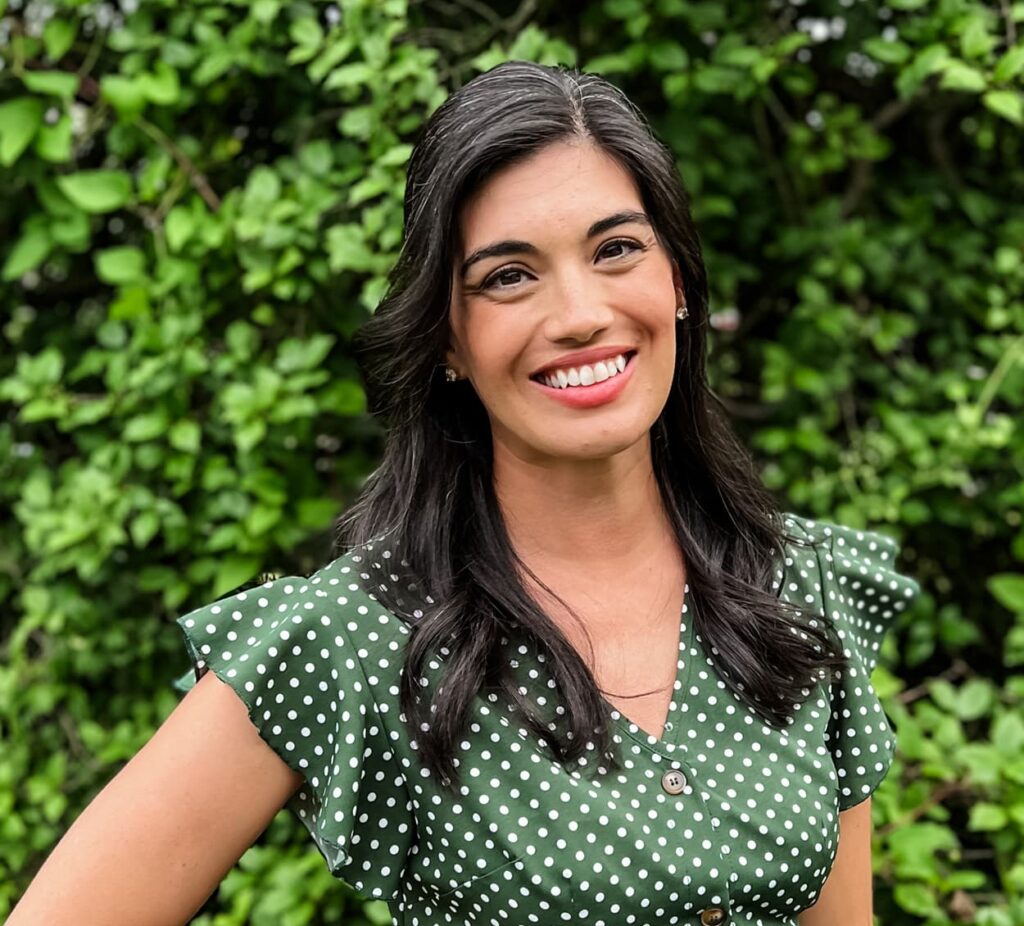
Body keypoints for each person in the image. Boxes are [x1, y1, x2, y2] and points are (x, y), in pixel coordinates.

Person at [10, 60, 920, 926]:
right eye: (509, 276)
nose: (578, 314)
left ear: (676, 281)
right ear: (447, 337)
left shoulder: (797, 583)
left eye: (616, 249)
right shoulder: (360, 634)